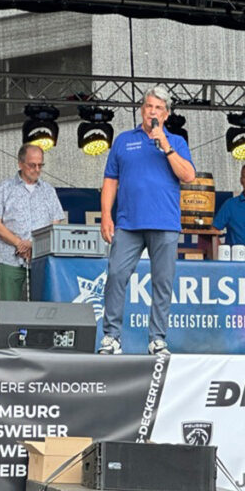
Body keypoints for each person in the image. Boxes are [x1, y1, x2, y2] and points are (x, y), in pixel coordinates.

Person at [98, 87, 195, 355]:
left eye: (158, 108)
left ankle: (157, 339)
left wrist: (165, 145)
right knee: (116, 275)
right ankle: (111, 337)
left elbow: (188, 176)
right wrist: (106, 215)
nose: (152, 111)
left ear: (166, 114)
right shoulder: (123, 141)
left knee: (162, 283)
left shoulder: (176, 141)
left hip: (164, 223)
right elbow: (110, 180)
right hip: (128, 223)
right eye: (149, 106)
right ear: (142, 109)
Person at [0, 144, 64, 301]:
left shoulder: (49, 191)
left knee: (43, 307)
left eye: (40, 165)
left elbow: (55, 225)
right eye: (32, 165)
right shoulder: (3, 188)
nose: (37, 169)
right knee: (9, 307)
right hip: (10, 258)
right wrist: (19, 243)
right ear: (20, 164)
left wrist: (33, 244)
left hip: (41, 259)